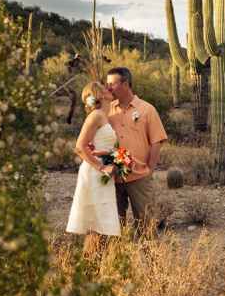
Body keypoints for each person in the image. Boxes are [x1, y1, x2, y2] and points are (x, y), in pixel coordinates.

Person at [106, 66, 167, 237]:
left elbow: (156, 142)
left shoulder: (147, 110)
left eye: (112, 83)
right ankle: (120, 263)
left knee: (146, 227)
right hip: (113, 179)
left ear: (125, 84)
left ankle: (155, 263)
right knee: (116, 229)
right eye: (107, 83)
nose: (108, 87)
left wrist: (150, 171)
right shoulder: (107, 110)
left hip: (139, 178)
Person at [66, 82, 121, 246]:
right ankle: (88, 269)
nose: (109, 88)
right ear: (100, 95)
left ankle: (93, 269)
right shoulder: (96, 115)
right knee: (97, 228)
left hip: (104, 172)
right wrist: (103, 167)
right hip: (96, 172)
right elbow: (79, 147)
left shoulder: (104, 116)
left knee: (100, 228)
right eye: (105, 87)